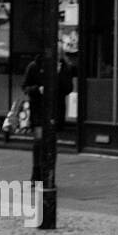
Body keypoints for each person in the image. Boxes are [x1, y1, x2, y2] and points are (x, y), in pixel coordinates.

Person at [21, 50, 74, 184]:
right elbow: (25, 87)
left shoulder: (64, 68)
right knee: (39, 140)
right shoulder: (34, 66)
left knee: (51, 142)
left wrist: (59, 74)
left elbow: (68, 89)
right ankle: (36, 173)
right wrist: (38, 89)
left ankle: (49, 175)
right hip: (39, 108)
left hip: (55, 110)